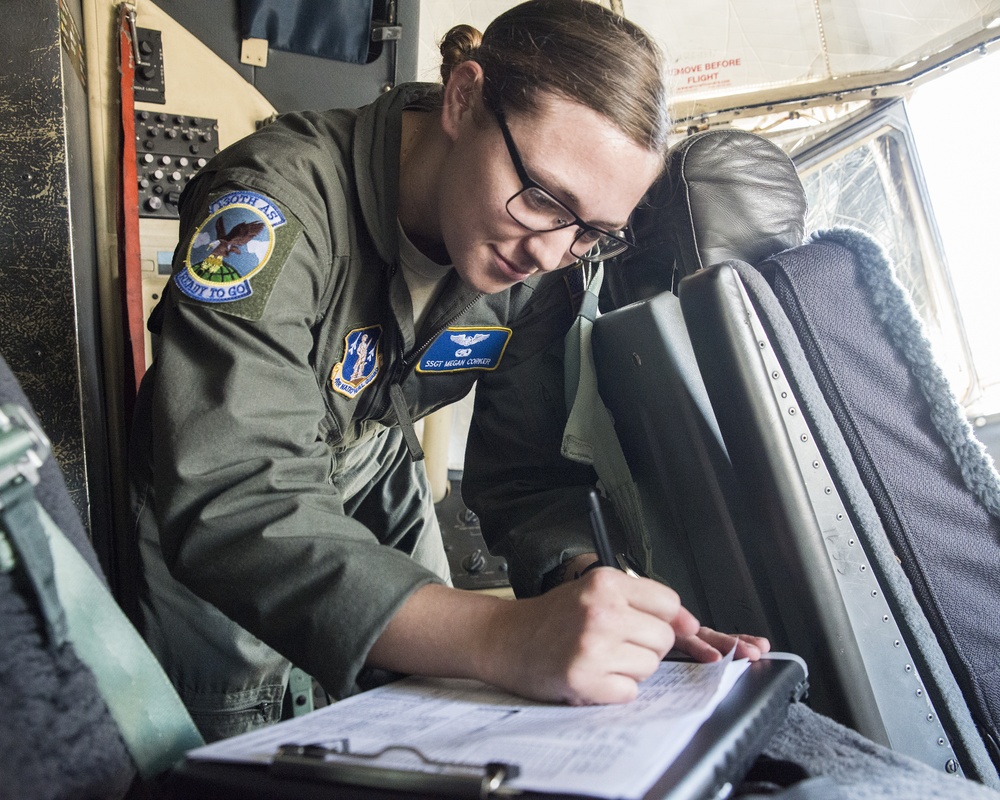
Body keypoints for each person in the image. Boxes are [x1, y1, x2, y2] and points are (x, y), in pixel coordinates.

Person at [130, 0, 768, 744]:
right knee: (238, 732)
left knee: (429, 718)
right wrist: (502, 637)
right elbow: (233, 490)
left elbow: (525, 476)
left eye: (593, 233)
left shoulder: (545, 271)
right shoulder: (270, 206)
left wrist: (586, 591)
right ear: (463, 100)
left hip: (372, 471)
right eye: (543, 198)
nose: (549, 251)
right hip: (216, 511)